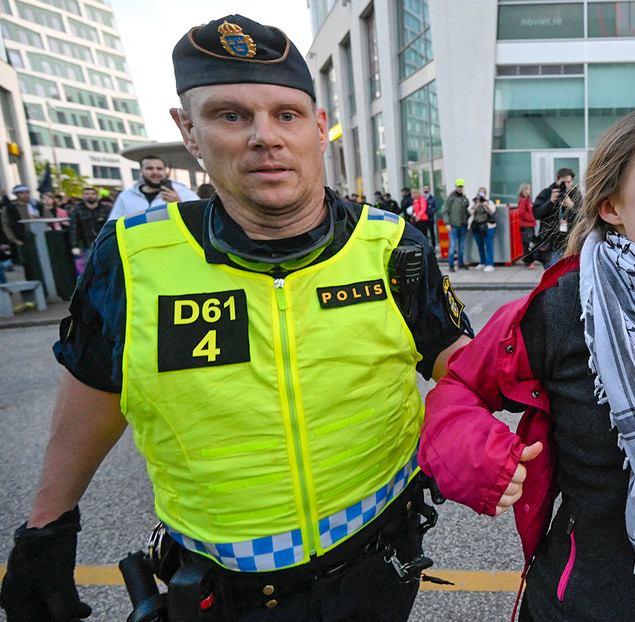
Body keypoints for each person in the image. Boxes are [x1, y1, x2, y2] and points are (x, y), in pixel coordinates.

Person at [0, 14, 473, 622]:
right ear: (189, 132)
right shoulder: (131, 257)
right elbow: (97, 384)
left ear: (319, 128)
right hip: (216, 594)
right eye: (231, 115)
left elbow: (454, 358)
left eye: (286, 115)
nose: (264, 137)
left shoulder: (393, 244)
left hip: (378, 569)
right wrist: (47, 528)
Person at [420, 103, 635, 621]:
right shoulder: (565, 305)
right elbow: (459, 388)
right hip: (577, 603)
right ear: (611, 205)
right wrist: (475, 454)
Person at [108, 155, 200, 221]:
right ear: (141, 171)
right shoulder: (125, 197)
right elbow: (113, 225)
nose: (155, 172)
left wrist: (179, 204)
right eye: (149, 168)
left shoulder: (184, 192)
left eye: (159, 168)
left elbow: (200, 218)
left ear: (165, 171)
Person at [531, 167, 582, 268]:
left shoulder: (575, 194)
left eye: (569, 182)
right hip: (551, 245)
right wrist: (550, 202)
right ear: (557, 180)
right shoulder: (547, 193)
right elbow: (536, 213)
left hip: (570, 243)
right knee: (553, 277)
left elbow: (583, 217)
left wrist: (571, 205)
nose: (567, 185)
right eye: (564, 182)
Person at [68, 188, 113, 273]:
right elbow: (74, 229)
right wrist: (75, 246)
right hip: (88, 245)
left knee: (110, 268)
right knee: (93, 270)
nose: (90, 196)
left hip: (107, 243)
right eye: (87, 194)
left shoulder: (106, 209)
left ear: (97, 196)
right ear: (83, 196)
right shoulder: (77, 211)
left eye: (92, 194)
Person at [442, 179, 469, 272]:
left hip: (462, 225)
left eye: (461, 186)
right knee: (453, 246)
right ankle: (451, 265)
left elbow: (467, 211)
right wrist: (447, 223)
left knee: (461, 246)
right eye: (458, 186)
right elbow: (445, 211)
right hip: (453, 225)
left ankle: (461, 264)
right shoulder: (451, 198)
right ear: (456, 187)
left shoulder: (464, 198)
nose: (460, 188)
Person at [467, 186, 495, 272]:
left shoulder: (489, 202)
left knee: (488, 245)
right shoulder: (474, 202)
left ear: (485, 194)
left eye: (483, 193)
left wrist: (485, 204)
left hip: (487, 226)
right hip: (476, 226)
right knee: (480, 245)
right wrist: (476, 204)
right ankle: (482, 262)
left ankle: (490, 264)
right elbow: (469, 210)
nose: (481, 195)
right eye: (480, 193)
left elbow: (492, 211)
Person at [516, 182, 536, 269]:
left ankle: (529, 260)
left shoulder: (528, 199)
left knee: (531, 243)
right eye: (529, 189)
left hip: (530, 224)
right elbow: (522, 213)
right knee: (526, 244)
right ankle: (527, 262)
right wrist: (532, 217)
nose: (530, 191)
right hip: (526, 225)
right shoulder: (523, 200)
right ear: (524, 190)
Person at [422, 184, 438, 251]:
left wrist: (430, 211)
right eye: (425, 188)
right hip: (423, 219)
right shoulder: (422, 198)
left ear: (429, 189)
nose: (426, 189)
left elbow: (436, 207)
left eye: (427, 188)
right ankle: (426, 245)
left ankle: (433, 246)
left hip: (430, 218)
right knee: (424, 232)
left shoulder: (433, 198)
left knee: (432, 232)